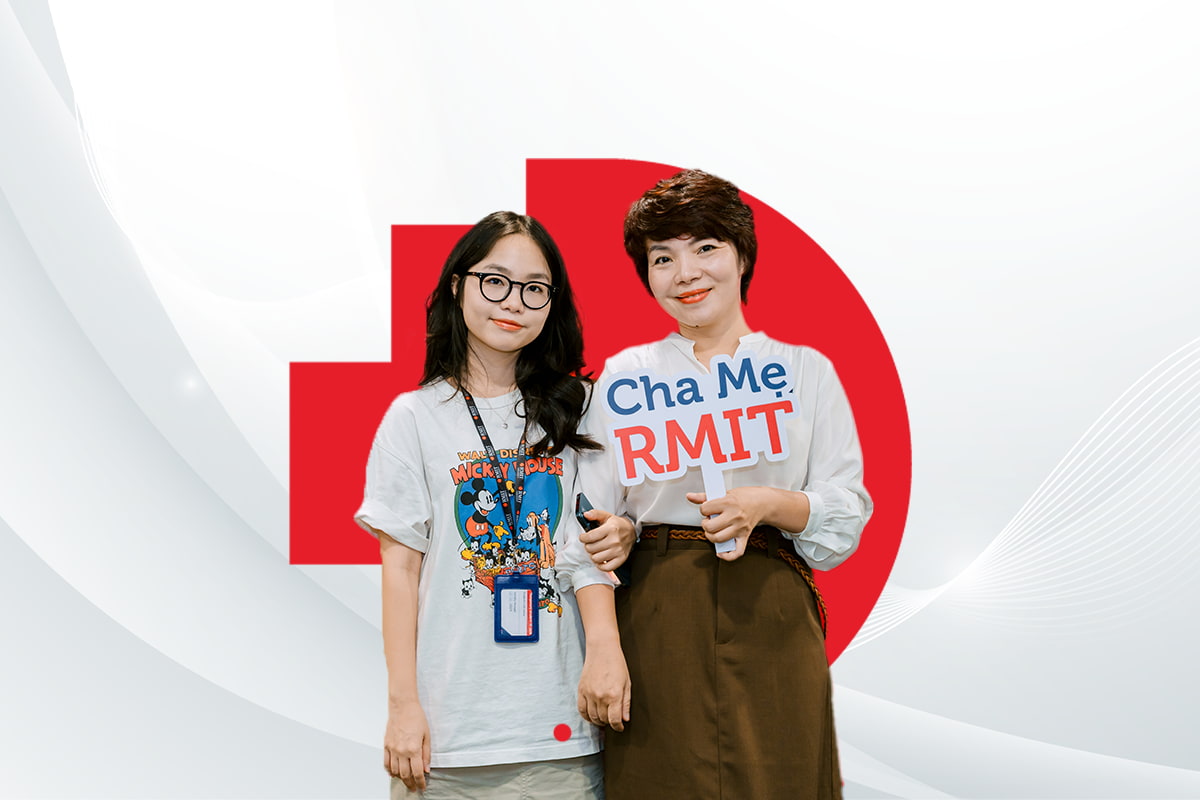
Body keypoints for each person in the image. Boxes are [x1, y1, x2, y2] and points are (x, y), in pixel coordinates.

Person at [570, 170, 873, 799]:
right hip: (656, 612)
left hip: (772, 606)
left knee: (782, 777)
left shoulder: (803, 372)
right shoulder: (626, 377)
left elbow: (845, 509)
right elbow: (588, 525)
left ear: (742, 256)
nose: (686, 273)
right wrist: (603, 646)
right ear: (646, 275)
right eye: (663, 257)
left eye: (705, 247)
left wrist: (767, 502)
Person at [355, 211, 628, 799]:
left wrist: (606, 649)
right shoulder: (414, 418)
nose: (514, 302)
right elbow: (399, 572)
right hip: (448, 737)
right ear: (458, 285)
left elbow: (592, 547)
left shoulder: (580, 407)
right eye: (495, 280)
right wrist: (403, 707)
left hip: (558, 730)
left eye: (535, 289)